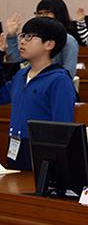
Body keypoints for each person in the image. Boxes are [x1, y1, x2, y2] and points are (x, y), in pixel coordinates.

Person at [0, 17, 76, 171]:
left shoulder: (59, 80)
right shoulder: (21, 75)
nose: (22, 41)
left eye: (29, 37)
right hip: (15, 147)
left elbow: (62, 128)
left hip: (41, 153)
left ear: (49, 44)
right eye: (22, 35)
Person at [5, 0, 80, 76]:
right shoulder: (34, 38)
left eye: (46, 12)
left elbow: (69, 73)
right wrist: (12, 35)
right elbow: (15, 60)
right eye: (39, 13)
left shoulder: (68, 41)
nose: (42, 16)